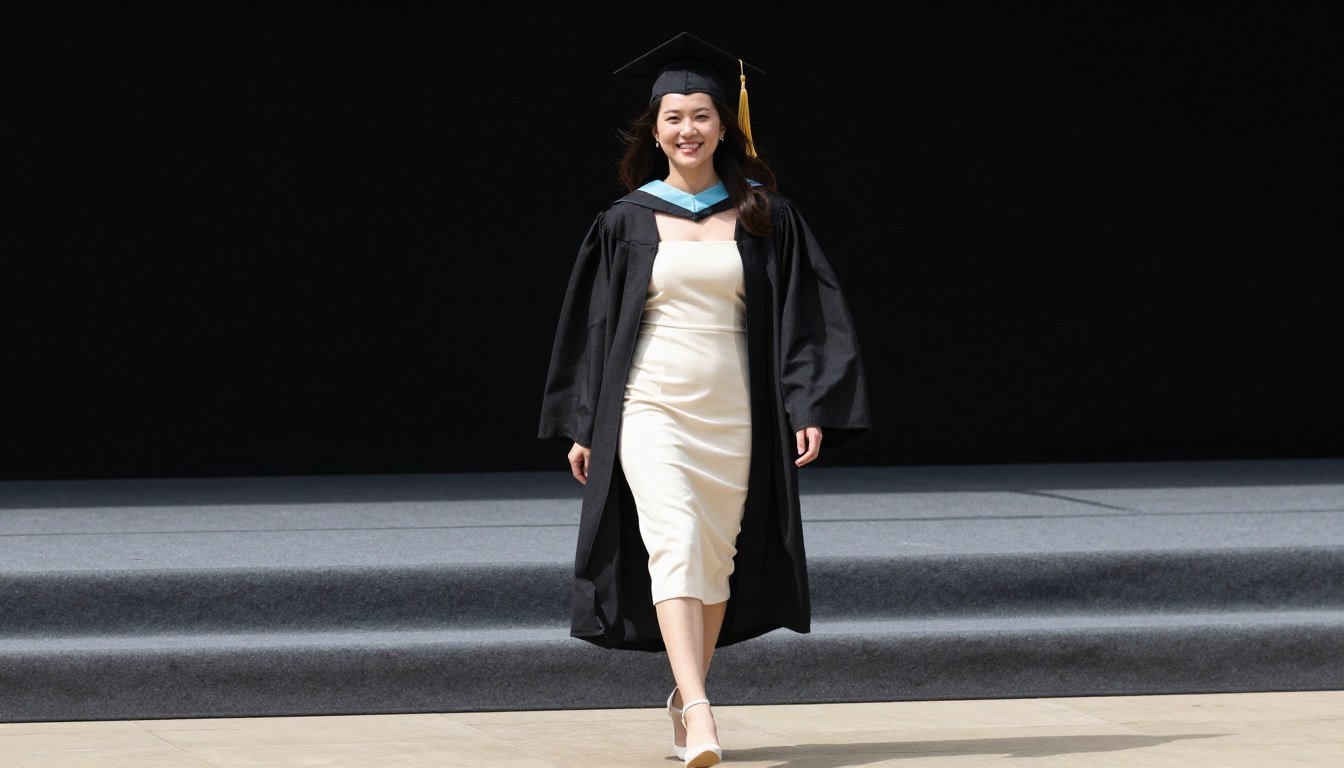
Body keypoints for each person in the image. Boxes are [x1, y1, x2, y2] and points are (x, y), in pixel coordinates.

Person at [537, 31, 871, 768]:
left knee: (714, 559)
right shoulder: (624, 222)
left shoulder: (763, 217)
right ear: (653, 132)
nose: (687, 129)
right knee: (676, 544)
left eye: (701, 115)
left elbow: (806, 318)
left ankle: (685, 700)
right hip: (650, 406)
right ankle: (701, 706)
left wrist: (806, 403)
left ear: (725, 124)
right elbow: (595, 328)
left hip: (735, 411)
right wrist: (585, 421)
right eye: (672, 117)